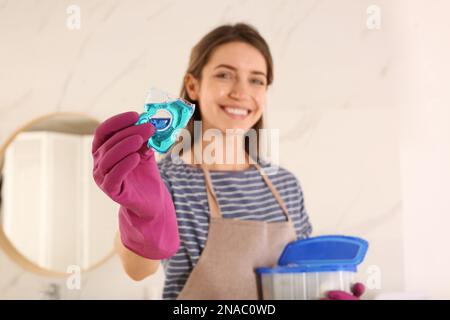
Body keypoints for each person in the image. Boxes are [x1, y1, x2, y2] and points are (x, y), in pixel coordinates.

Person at [92, 23, 364, 300]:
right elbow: (137, 269)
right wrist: (144, 217)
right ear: (193, 85)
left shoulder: (286, 184)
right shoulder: (165, 179)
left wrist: (323, 290)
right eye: (224, 75)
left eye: (256, 80)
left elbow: (298, 276)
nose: (241, 92)